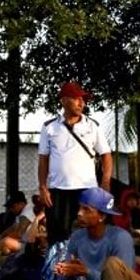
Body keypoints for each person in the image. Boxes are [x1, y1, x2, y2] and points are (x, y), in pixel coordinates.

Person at [30, 187, 134, 280]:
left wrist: (86, 272)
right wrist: (66, 272)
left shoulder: (120, 238)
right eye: (80, 208)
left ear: (102, 216)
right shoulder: (77, 237)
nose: (79, 213)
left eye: (86, 210)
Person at [38, 81, 113, 244]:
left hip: (87, 190)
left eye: (83, 100)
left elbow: (106, 154)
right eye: (77, 98)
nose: (82, 103)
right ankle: (57, 267)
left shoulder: (93, 126)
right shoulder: (49, 127)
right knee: (58, 236)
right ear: (64, 100)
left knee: (90, 233)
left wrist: (105, 181)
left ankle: (90, 267)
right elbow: (43, 158)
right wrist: (43, 187)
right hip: (58, 191)